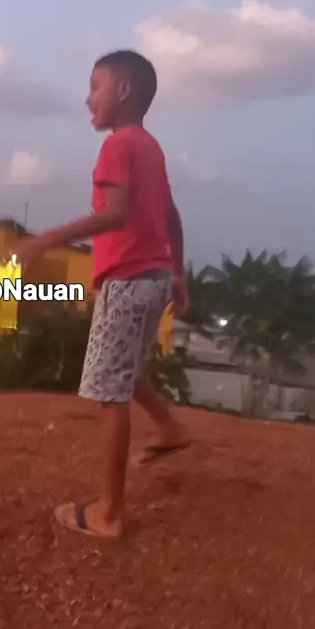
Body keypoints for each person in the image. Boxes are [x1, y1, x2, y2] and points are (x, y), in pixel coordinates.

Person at [15, 49, 190, 538]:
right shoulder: (150, 147)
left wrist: (45, 239)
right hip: (154, 277)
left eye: (95, 87)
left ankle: (108, 513)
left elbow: (114, 214)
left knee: (109, 390)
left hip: (128, 281)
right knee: (124, 366)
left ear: (124, 91)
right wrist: (178, 274)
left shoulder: (118, 146)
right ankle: (169, 428)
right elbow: (172, 217)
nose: (88, 98)